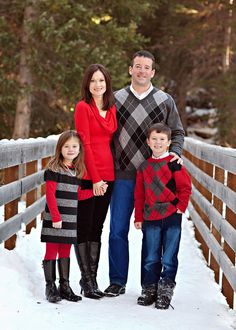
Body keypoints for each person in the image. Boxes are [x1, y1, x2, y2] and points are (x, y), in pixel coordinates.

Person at [104, 50, 185, 297]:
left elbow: (178, 132)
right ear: (130, 69)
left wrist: (175, 154)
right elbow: (105, 135)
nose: (141, 71)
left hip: (155, 178)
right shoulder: (115, 99)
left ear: (153, 72)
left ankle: (147, 286)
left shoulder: (164, 100)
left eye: (146, 67)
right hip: (123, 175)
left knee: (151, 234)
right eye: (137, 66)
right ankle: (117, 281)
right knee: (117, 230)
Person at [134, 123, 191, 309]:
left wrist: (181, 206)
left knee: (169, 256)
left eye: (162, 140)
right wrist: (138, 216)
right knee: (151, 255)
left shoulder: (174, 163)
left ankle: (166, 289)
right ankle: (150, 288)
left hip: (172, 214)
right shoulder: (144, 167)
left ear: (168, 143)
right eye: (154, 139)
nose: (158, 143)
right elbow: (140, 194)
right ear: (148, 142)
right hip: (151, 216)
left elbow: (185, 187)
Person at [74, 64, 117, 299]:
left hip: (108, 174)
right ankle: (86, 279)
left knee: (97, 228)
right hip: (89, 176)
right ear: (87, 84)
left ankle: (92, 278)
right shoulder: (83, 108)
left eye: (101, 80)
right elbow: (85, 145)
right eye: (93, 81)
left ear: (107, 83)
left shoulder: (111, 109)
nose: (97, 85)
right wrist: (95, 179)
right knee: (85, 226)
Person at [41, 130, 86, 303]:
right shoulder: (54, 169)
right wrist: (55, 217)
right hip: (56, 218)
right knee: (52, 249)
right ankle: (50, 286)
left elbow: (77, 195)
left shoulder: (76, 171)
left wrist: (96, 191)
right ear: (60, 148)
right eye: (66, 146)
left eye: (74, 146)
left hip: (70, 219)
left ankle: (64, 286)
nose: (70, 149)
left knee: (65, 250)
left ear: (79, 149)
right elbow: (50, 196)